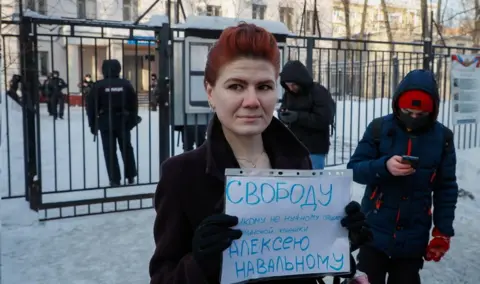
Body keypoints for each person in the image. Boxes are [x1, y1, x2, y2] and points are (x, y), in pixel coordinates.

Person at [149, 23, 371, 284]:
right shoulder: (182, 175)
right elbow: (163, 279)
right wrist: (200, 262)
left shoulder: (299, 162)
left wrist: (339, 241)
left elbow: (302, 263)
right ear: (210, 92)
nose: (252, 100)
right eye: (236, 86)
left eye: (264, 87)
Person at [347, 69, 459, 284]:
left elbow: (446, 188)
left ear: (433, 110)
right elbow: (355, 169)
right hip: (373, 232)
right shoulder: (379, 128)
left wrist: (442, 231)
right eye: (408, 111)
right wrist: (384, 166)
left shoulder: (443, 138)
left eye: (421, 114)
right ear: (397, 105)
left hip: (413, 238)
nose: (414, 118)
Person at [87, 59, 138, 186]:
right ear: (119, 69)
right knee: (126, 148)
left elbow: (91, 107)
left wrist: (92, 124)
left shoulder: (98, 86)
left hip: (105, 121)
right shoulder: (126, 84)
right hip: (123, 121)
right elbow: (134, 104)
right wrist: (131, 121)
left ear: (103, 70)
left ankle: (115, 179)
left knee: (109, 151)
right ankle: (130, 175)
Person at [278, 60, 335, 169]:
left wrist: (297, 117)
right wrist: (283, 116)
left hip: (314, 148)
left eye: (293, 85)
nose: (291, 88)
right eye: (287, 85)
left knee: (312, 181)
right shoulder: (289, 94)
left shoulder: (319, 92)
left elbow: (324, 118)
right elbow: (284, 109)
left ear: (301, 81)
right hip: (293, 146)